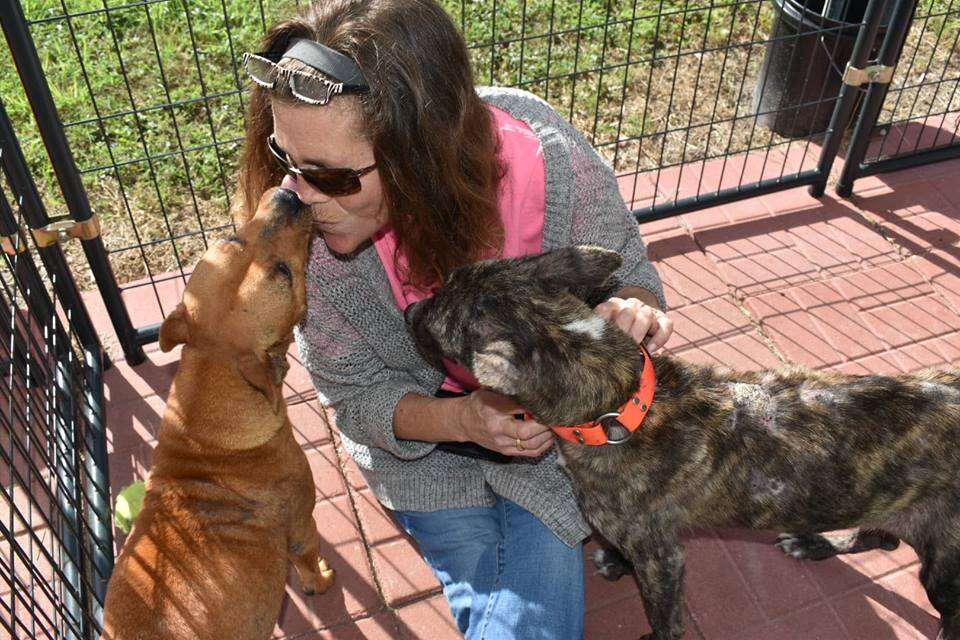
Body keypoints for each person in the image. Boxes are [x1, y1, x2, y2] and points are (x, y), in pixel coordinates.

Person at [237, 1, 673, 637]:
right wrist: (463, 420)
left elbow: (629, 268)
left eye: (329, 175)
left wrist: (634, 312)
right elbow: (355, 396)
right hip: (422, 451)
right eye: (285, 158)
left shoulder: (548, 158)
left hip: (549, 443)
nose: (294, 194)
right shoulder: (311, 239)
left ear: (420, 156)